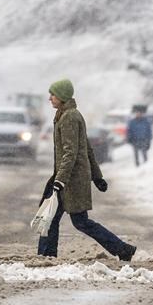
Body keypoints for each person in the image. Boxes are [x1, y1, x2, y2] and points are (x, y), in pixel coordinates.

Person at [37, 78, 136, 262]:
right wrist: (97, 176)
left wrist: (60, 181)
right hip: (67, 178)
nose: (50, 98)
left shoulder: (69, 117)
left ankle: (122, 249)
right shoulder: (66, 114)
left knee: (77, 222)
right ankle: (46, 255)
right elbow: (87, 148)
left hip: (70, 181)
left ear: (63, 96)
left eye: (53, 94)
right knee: (53, 218)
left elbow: (71, 152)